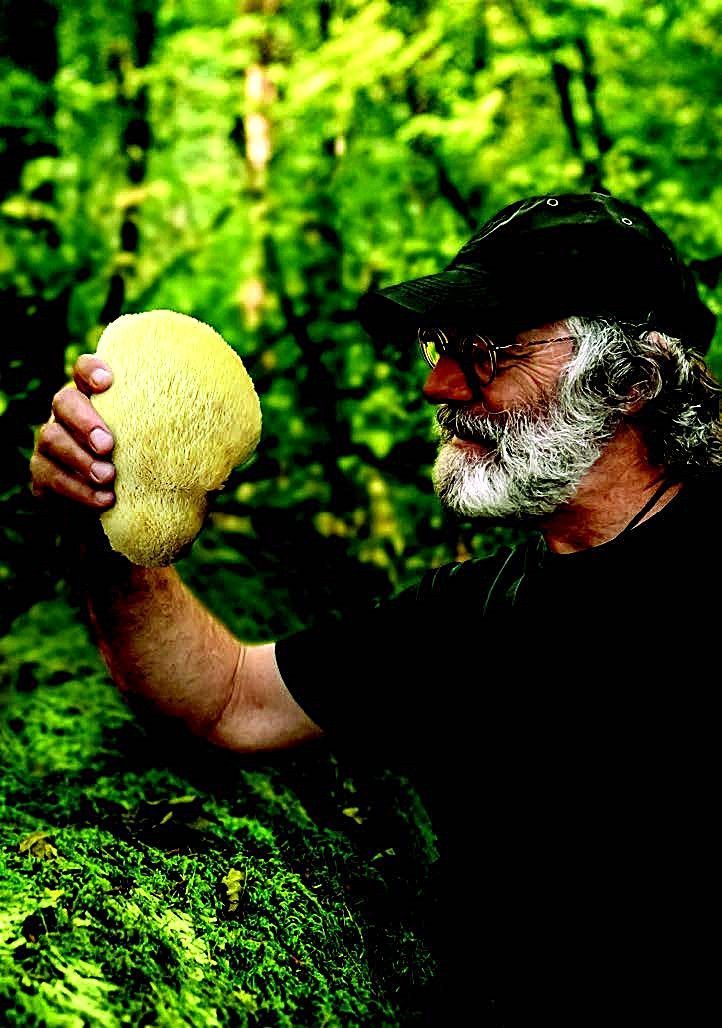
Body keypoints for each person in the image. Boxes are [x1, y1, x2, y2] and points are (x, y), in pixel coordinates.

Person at [30, 192, 720, 1010]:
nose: (438, 382)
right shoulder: (472, 611)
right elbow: (228, 700)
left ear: (633, 379)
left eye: (488, 350)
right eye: (442, 344)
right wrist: (102, 525)